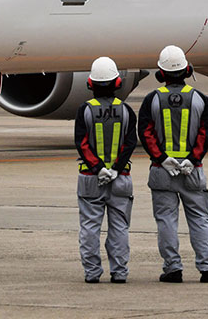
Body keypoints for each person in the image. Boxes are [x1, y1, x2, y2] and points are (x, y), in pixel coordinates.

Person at [138, 45, 208, 283]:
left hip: (161, 171)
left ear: (161, 73)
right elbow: (206, 133)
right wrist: (192, 159)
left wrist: (162, 159)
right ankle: (207, 269)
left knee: (166, 221)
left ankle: (172, 268)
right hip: (191, 171)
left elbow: (145, 133)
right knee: (199, 219)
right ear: (187, 70)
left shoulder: (152, 99)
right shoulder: (199, 99)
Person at [74, 56, 137, 284]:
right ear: (118, 84)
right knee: (119, 228)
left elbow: (82, 143)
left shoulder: (85, 110)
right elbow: (130, 144)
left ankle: (92, 273)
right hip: (121, 178)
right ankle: (119, 272)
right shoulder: (127, 111)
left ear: (90, 84)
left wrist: (99, 168)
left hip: (91, 178)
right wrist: (116, 169)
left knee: (90, 227)